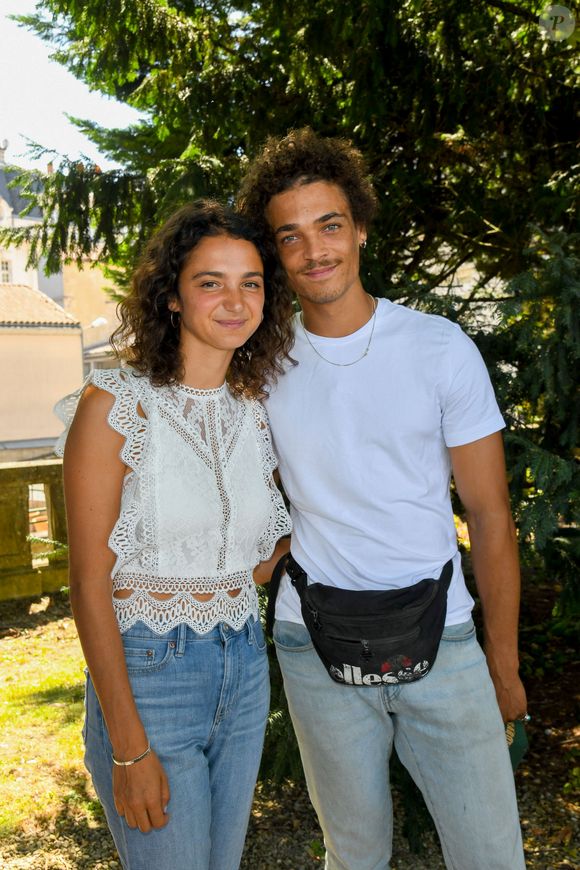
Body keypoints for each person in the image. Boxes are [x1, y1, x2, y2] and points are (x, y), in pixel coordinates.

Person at [238, 129, 528, 869]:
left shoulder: (439, 348)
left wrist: (503, 664)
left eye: (329, 225)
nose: (315, 251)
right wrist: (263, 555)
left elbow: (491, 517)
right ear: (276, 254)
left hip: (447, 639)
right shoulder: (262, 367)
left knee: (491, 855)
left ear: (360, 227)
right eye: (291, 237)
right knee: (355, 857)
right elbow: (244, 493)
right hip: (315, 645)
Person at [55, 201, 293, 870]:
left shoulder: (254, 410)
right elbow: (87, 583)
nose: (234, 300)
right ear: (172, 298)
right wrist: (128, 746)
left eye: (250, 282)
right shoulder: (115, 406)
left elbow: (244, 561)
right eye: (210, 281)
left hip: (244, 667)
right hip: (150, 676)